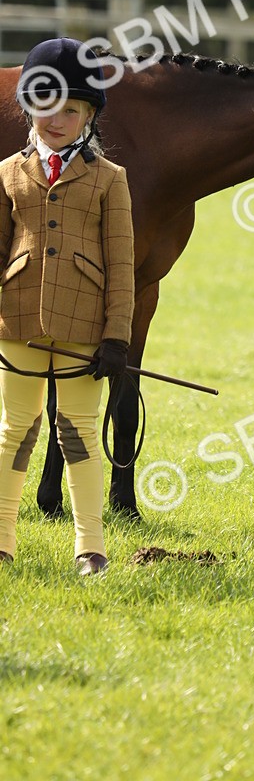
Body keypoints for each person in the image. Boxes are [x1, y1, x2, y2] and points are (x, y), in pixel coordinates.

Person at [0, 38, 135, 575]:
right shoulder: (7, 172)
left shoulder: (111, 180)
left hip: (85, 324)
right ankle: (3, 539)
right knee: (15, 429)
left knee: (77, 431)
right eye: (44, 102)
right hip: (18, 319)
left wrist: (117, 336)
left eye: (71, 108)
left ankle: (91, 547)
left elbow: (122, 265)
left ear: (89, 114)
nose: (56, 118)